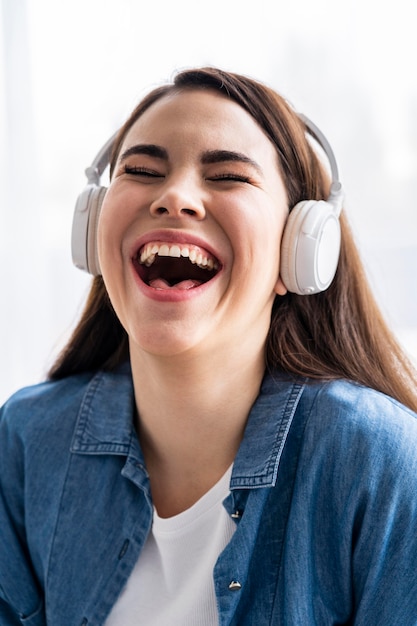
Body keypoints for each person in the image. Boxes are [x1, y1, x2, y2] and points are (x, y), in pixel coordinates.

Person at [1, 66, 417, 626]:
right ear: (94, 229)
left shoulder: (379, 462)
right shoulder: (26, 442)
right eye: (144, 170)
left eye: (227, 177)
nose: (175, 197)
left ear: (299, 250)